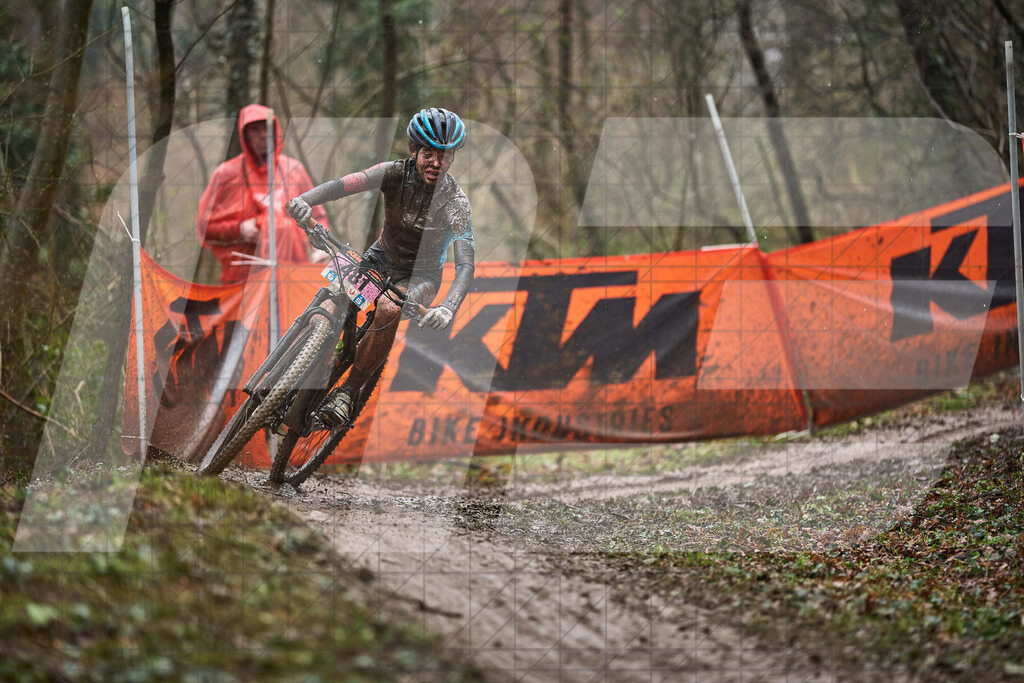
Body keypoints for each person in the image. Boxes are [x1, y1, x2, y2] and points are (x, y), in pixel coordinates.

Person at [286, 107, 474, 426]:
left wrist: (448, 307)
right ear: (414, 149)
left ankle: (348, 393)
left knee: (388, 307)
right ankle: (298, 366)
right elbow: (343, 185)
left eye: (445, 156)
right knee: (330, 303)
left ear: (454, 157)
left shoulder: (457, 203)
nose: (436, 163)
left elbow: (466, 265)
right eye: (429, 154)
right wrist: (305, 200)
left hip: (420, 277)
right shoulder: (393, 173)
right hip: (378, 259)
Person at [197, 103, 330, 284]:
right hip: (245, 280)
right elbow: (206, 227)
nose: (262, 135)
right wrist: (239, 230)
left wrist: (321, 247)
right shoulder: (227, 173)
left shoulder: (294, 170)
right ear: (245, 135)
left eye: (267, 129)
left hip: (293, 277)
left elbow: (317, 216)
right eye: (255, 130)